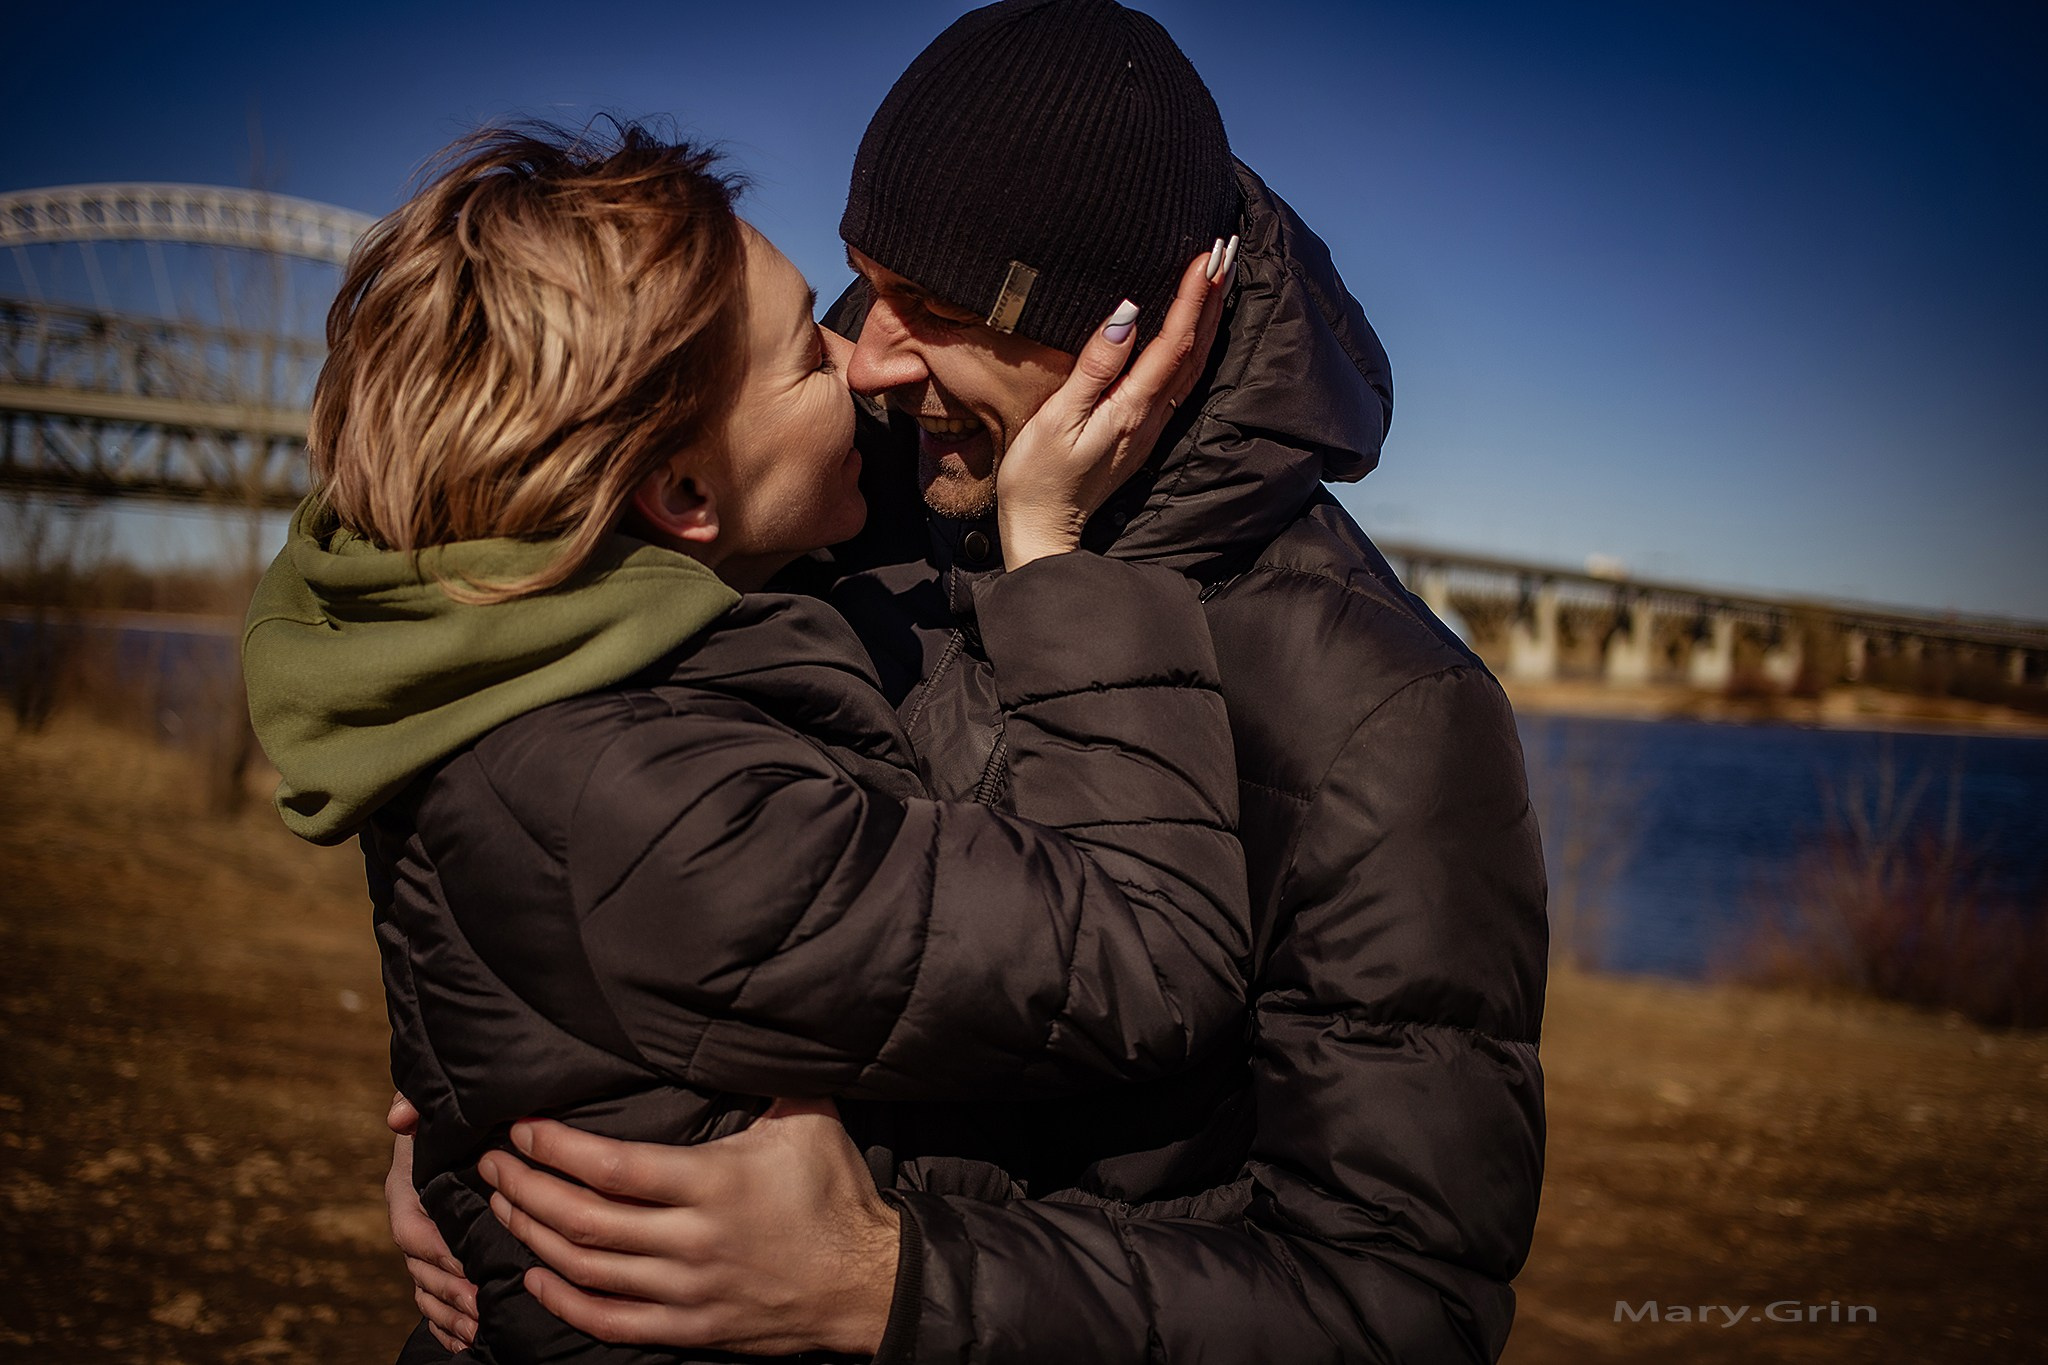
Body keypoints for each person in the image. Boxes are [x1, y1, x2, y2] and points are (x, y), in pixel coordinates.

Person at [400, 2, 1550, 1362]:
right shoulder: (825, 475)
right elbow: (515, 712)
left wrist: (889, 1279)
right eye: (863, 277)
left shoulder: (1383, 716)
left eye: (935, 312)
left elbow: (1400, 1311)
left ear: (1121, 332)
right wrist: (462, 1121)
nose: (872, 356)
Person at [242, 119, 1253, 1362]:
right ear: (681, 500)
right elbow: (1152, 955)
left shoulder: (501, 654)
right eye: (806, 358)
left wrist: (458, 1129)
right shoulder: (647, 794)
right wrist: (1055, 563)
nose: (865, 364)